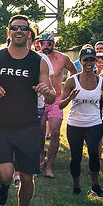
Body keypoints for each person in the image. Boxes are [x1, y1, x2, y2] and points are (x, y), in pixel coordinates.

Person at [0, 14, 55, 206]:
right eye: (14, 27)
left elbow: (52, 95)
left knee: (26, 176)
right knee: (6, 173)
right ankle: (4, 184)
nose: (19, 31)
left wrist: (47, 91)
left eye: (23, 28)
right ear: (8, 32)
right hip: (2, 126)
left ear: (29, 34)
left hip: (28, 126)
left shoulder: (38, 61)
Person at [59, 46, 103, 197]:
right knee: (76, 156)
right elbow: (61, 105)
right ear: (80, 62)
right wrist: (70, 98)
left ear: (96, 61)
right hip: (75, 124)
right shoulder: (72, 81)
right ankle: (76, 186)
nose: (89, 63)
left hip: (94, 123)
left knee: (94, 153)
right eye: (85, 60)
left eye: (91, 60)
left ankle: (95, 185)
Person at [37, 33, 77, 178]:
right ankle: (41, 157)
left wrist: (66, 88)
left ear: (54, 44)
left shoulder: (63, 58)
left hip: (56, 100)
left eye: (49, 43)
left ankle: (49, 165)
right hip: (40, 99)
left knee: (54, 132)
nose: (46, 46)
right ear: (39, 44)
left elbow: (73, 71)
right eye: (43, 43)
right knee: (40, 132)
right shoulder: (37, 58)